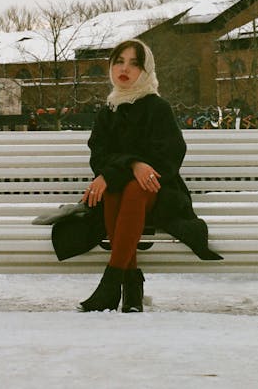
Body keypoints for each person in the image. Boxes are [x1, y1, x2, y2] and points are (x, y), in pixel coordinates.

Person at [51, 39, 222, 313]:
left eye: (134, 63)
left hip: (160, 194)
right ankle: (130, 283)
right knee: (118, 189)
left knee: (132, 188)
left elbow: (170, 156)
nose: (124, 68)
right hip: (121, 200)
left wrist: (129, 169)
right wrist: (131, 165)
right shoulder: (108, 112)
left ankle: (111, 282)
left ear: (146, 70)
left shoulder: (158, 108)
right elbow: (99, 155)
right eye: (119, 61)